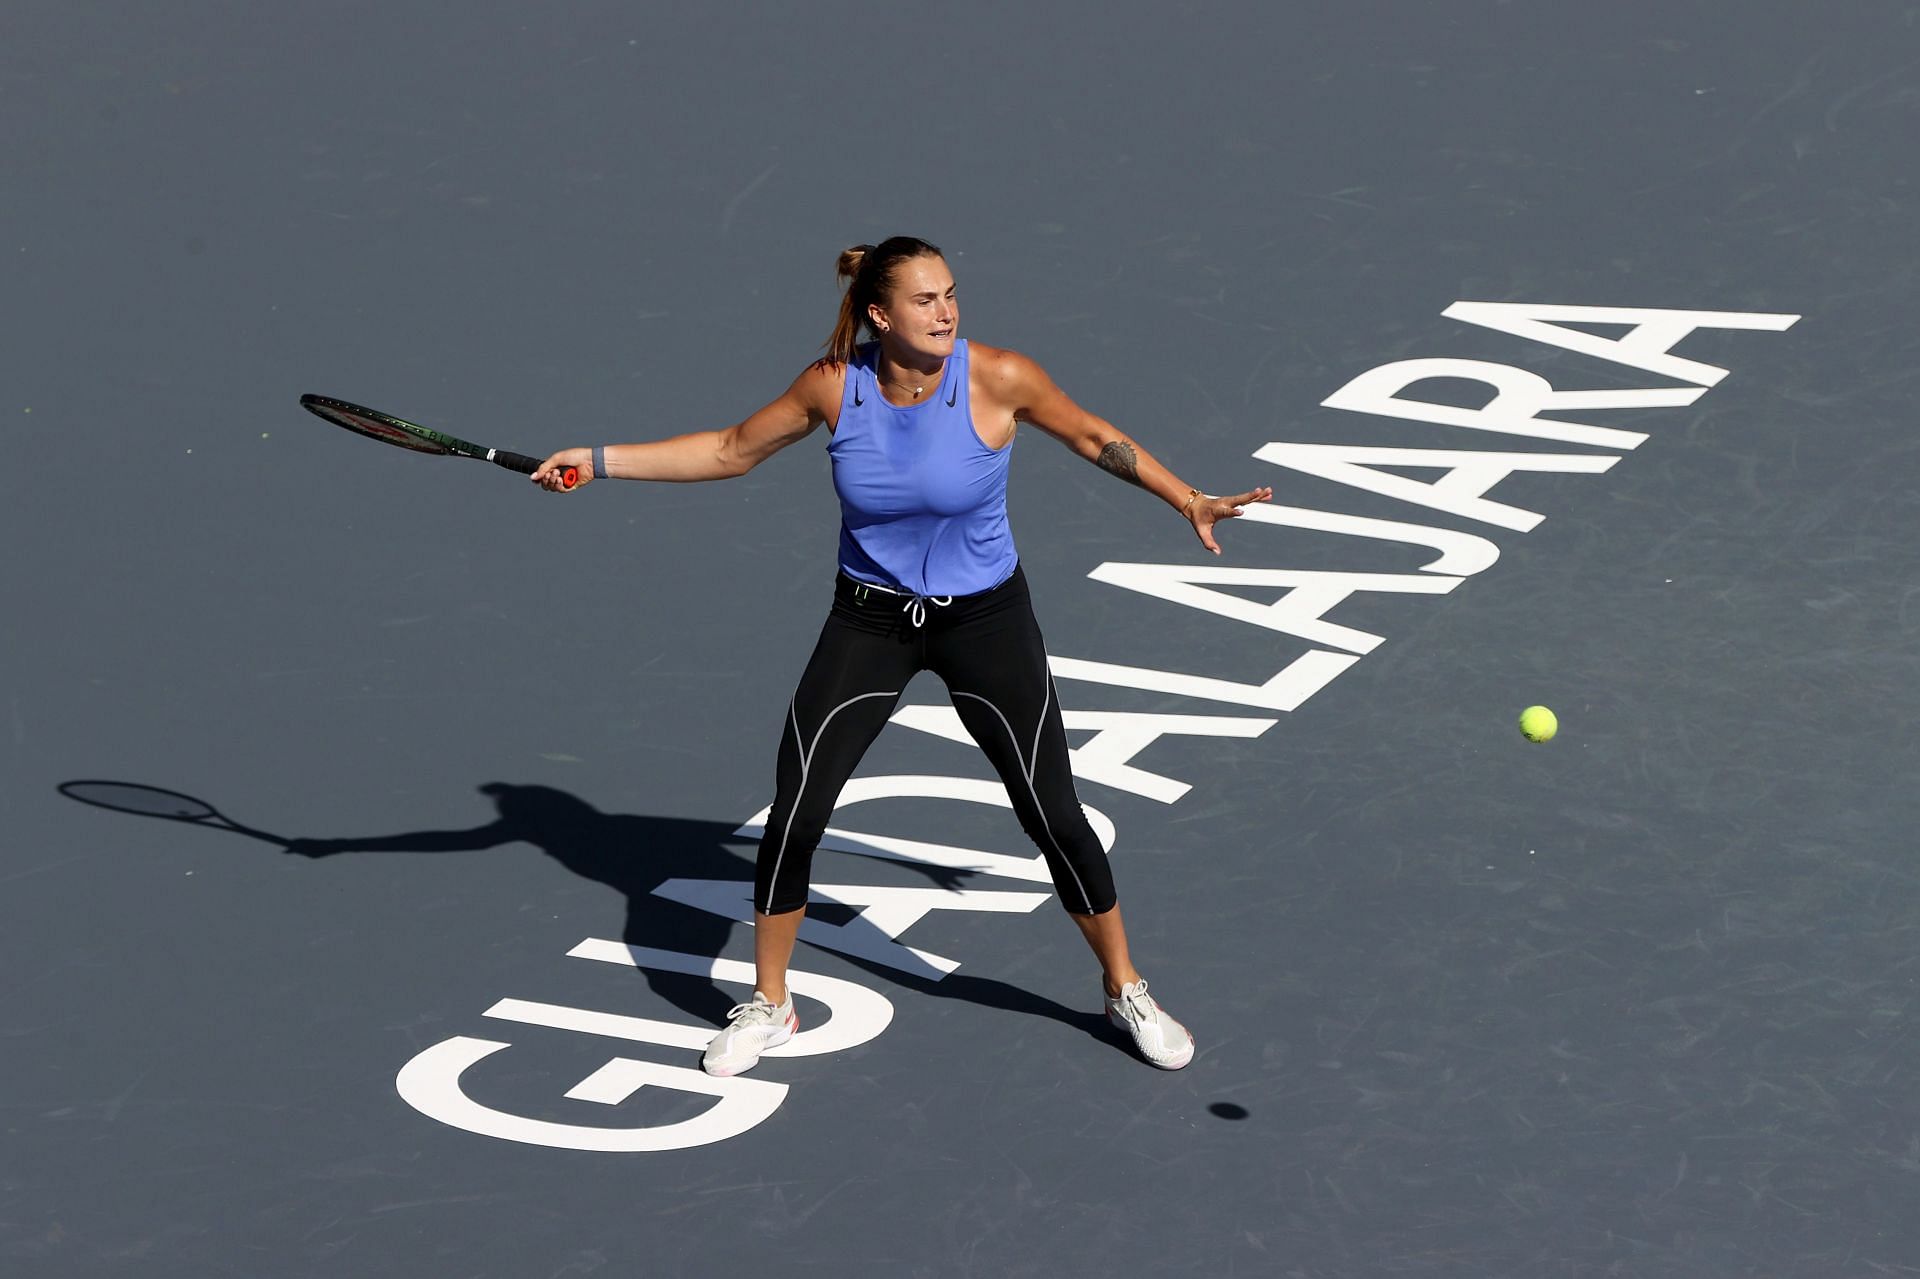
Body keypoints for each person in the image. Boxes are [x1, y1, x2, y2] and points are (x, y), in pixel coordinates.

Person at [533, 236, 1271, 1077]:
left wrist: (1189, 500)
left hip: (985, 623)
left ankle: (1125, 985)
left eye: (951, 294)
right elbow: (732, 448)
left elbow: (1093, 435)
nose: (947, 311)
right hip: (869, 624)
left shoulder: (998, 376)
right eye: (925, 301)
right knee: (797, 810)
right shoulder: (833, 386)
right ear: (880, 315)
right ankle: (772, 1004)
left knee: (1051, 811)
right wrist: (597, 461)